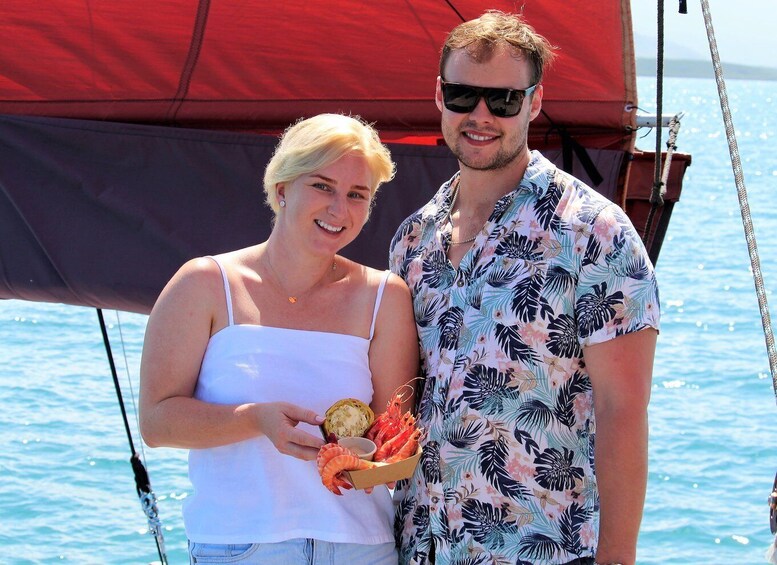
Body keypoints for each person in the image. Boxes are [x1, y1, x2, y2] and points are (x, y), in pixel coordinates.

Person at [389, 10, 659, 565]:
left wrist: (619, 557)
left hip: (545, 552)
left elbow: (622, 409)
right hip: (422, 547)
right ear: (439, 96)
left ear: (534, 103)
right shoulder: (412, 240)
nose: (481, 115)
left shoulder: (594, 233)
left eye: (504, 101)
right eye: (464, 96)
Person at [139, 113, 419, 564]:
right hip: (237, 546)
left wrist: (364, 460)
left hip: (360, 548)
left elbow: (392, 438)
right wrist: (254, 420)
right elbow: (156, 423)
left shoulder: (386, 297)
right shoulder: (204, 284)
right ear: (282, 188)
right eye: (322, 186)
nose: (338, 209)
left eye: (357, 195)